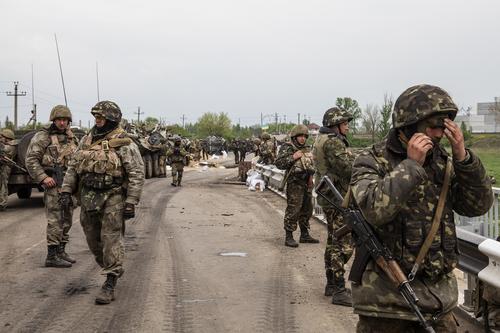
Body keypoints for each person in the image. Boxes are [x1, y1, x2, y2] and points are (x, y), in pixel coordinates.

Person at [349, 84, 494, 332]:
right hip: (387, 305)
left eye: (445, 126)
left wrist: (463, 159)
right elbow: (373, 210)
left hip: (439, 303)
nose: (440, 134)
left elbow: (478, 205)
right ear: (408, 126)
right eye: (434, 126)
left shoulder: (444, 164)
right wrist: (411, 165)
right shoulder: (371, 159)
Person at [60, 101, 144, 304]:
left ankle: (110, 281)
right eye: (96, 117)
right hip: (88, 198)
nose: (97, 120)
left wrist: (131, 201)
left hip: (113, 197)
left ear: (112, 118)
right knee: (92, 240)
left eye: (101, 117)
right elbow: (73, 167)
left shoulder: (124, 143)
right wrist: (65, 190)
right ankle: (112, 267)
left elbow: (136, 173)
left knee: (110, 240)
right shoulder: (86, 140)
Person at [25, 105, 79, 267]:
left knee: (67, 218)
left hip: (69, 184)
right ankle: (51, 255)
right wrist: (43, 178)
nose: (62, 123)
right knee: (55, 219)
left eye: (65, 120)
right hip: (54, 183)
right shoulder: (43, 137)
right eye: (59, 120)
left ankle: (61, 250)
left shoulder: (71, 137)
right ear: (53, 120)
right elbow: (31, 160)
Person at [313, 107, 355, 306]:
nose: (347, 126)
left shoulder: (322, 139)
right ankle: (339, 289)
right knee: (343, 243)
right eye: (344, 123)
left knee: (332, 240)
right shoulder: (332, 142)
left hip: (329, 197)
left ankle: (331, 283)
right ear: (335, 125)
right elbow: (347, 169)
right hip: (337, 198)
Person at [275, 124, 319, 247]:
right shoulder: (288, 147)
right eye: (300, 136)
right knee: (293, 210)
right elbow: (279, 163)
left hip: (306, 183)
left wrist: (311, 178)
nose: (303, 139)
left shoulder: (307, 149)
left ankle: (304, 235)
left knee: (307, 209)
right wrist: (293, 157)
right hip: (295, 183)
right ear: (295, 137)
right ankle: (289, 236)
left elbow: (311, 165)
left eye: (305, 136)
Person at [0, 129, 17, 211]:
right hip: (2, 166)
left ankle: (2, 204)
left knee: (3, 185)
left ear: (7, 138)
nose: (1, 139)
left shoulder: (12, 145)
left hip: (5, 167)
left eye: (2, 137)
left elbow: (4, 149)